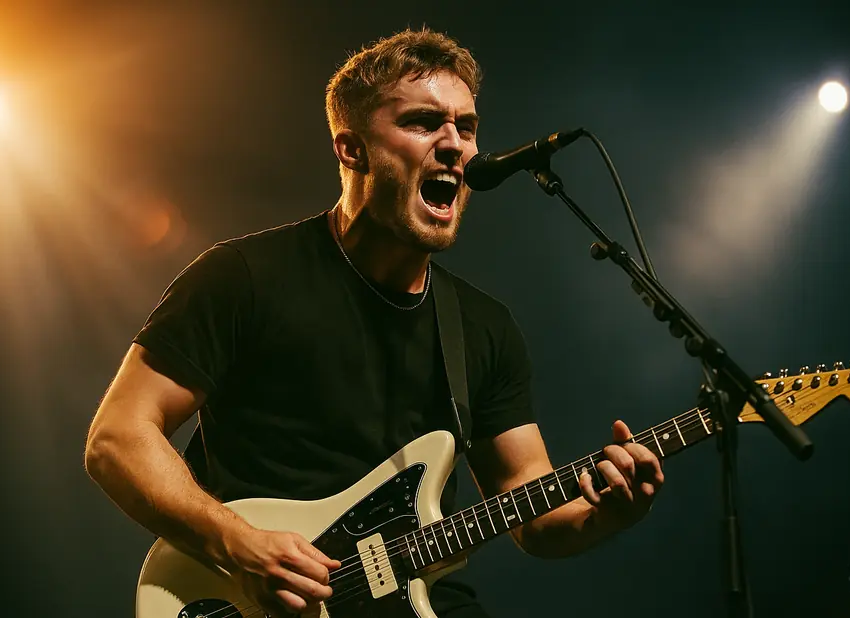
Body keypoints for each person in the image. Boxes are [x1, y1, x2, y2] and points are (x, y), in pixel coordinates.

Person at [84, 27, 664, 618]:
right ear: (351, 148)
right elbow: (117, 439)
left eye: (466, 127)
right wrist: (239, 544)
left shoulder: (482, 328)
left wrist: (608, 512)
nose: (455, 145)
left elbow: (534, 513)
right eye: (422, 122)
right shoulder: (244, 277)